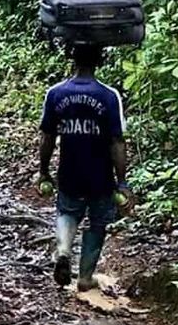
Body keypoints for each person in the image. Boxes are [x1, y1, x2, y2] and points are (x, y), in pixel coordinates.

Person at [38, 42, 132, 290]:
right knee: (97, 223)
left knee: (67, 211)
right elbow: (117, 142)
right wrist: (122, 182)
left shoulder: (56, 93)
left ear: (73, 59)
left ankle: (64, 251)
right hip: (100, 176)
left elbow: (47, 137)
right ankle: (85, 277)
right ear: (99, 61)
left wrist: (43, 171)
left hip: (70, 171)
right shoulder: (109, 96)